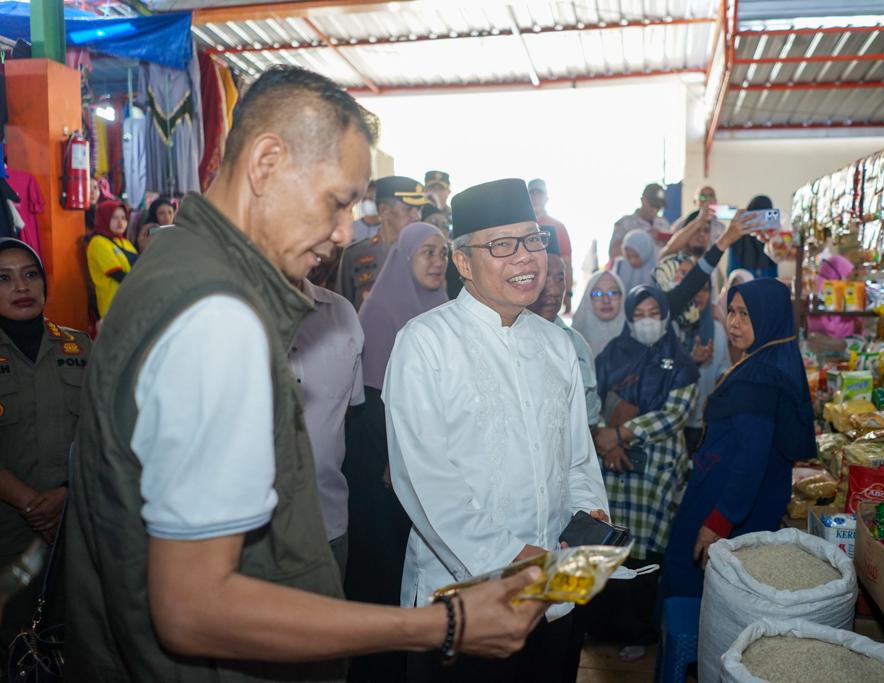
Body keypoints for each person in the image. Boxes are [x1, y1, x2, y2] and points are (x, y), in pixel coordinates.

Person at [63, 66, 546, 681]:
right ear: (267, 162)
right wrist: (442, 624)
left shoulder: (177, 267)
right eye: (338, 201)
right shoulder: (217, 314)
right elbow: (194, 606)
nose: (345, 232)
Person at [385, 178, 609, 682]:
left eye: (534, 240)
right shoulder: (425, 344)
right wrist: (512, 559)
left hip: (554, 596)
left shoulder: (556, 345)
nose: (527, 258)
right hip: (463, 603)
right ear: (463, 262)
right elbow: (425, 484)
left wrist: (589, 523)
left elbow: (576, 459)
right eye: (503, 245)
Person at [662, 278, 816, 599]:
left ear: (768, 316)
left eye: (746, 314)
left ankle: (691, 649)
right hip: (741, 497)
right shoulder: (765, 361)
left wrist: (719, 520)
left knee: (693, 583)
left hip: (729, 501)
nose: (734, 322)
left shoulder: (757, 380)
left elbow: (751, 458)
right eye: (731, 311)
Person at [345, 222, 449, 683]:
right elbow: (368, 404)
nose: (437, 261)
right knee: (385, 567)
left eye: (443, 253)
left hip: (433, 463)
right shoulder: (380, 313)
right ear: (404, 258)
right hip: (382, 463)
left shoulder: (444, 311)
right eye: (427, 252)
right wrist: (395, 456)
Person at [589, 285, 699, 662]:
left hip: (656, 470)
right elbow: (593, 401)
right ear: (630, 318)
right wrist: (609, 441)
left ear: (666, 316)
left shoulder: (681, 362)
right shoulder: (611, 355)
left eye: (655, 312)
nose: (648, 320)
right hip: (613, 465)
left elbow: (674, 415)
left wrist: (620, 434)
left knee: (643, 553)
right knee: (607, 546)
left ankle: (637, 631)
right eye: (640, 313)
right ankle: (601, 625)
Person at [0, 239, 90, 566]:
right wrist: (31, 505)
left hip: (78, 521)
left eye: (30, 275)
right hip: (9, 535)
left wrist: (65, 493)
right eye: (4, 278)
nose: (21, 287)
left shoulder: (79, 346)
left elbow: (103, 431)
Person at [288, 275, 365, 581]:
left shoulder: (341, 313)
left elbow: (347, 408)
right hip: (249, 536)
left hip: (328, 523)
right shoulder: (226, 312)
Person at [654, 257, 730, 454]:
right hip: (670, 421)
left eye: (705, 289)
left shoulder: (717, 330)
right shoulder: (667, 329)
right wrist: (690, 361)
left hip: (704, 419)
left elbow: (723, 367)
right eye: (695, 288)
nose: (699, 294)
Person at [526, 232, 599, 426]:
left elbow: (590, 417)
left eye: (560, 278)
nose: (555, 290)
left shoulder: (577, 345)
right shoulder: (507, 338)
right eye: (544, 277)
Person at [335, 175, 430, 310]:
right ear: (384, 210)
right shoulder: (355, 254)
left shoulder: (427, 254)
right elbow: (342, 310)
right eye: (409, 208)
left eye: (419, 209)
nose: (417, 216)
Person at [86, 200, 138, 318]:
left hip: (131, 303)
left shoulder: (125, 242)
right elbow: (118, 274)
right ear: (104, 218)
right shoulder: (98, 242)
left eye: (123, 218)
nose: (120, 222)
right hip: (114, 307)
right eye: (114, 217)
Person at [528, 178, 573, 313]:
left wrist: (568, 293)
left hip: (550, 294)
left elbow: (567, 264)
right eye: (532, 193)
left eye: (539, 194)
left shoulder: (558, 227)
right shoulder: (517, 226)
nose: (535, 197)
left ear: (546, 198)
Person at [609, 183, 671, 261]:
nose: (655, 210)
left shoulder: (664, 224)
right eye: (653, 205)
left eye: (658, 207)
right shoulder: (625, 223)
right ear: (643, 200)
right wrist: (643, 238)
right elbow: (613, 253)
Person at [572, 270, 626, 358]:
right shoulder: (572, 341)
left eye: (613, 293)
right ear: (588, 300)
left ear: (622, 297)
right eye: (597, 293)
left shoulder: (637, 338)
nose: (606, 300)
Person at [727, 195, 779, 278]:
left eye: (764, 215)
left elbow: (773, 276)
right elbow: (732, 274)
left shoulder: (771, 239)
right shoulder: (738, 238)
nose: (760, 221)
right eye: (757, 215)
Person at [808, 254, 856, 339]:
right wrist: (853, 327)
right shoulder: (826, 287)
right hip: (821, 340)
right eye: (847, 275)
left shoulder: (819, 282)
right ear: (839, 273)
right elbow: (828, 327)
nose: (847, 281)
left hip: (815, 338)